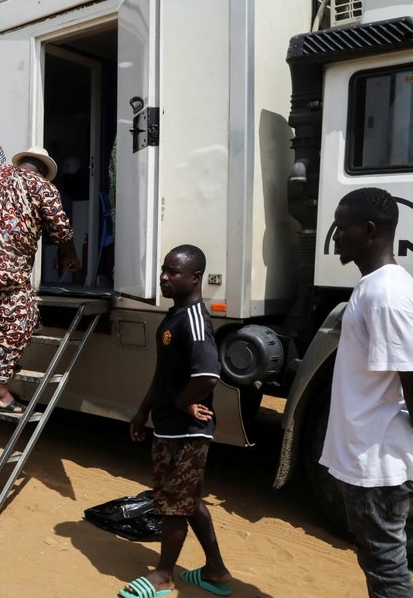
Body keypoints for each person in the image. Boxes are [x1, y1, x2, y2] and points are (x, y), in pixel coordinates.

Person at [320, 188, 413, 597]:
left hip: (376, 463)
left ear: (367, 230)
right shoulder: (384, 286)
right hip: (373, 453)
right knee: (380, 562)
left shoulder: (385, 294)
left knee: (386, 569)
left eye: (340, 227)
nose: (334, 237)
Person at [123, 245, 232, 598]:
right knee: (188, 499)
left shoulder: (195, 319)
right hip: (168, 425)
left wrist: (183, 403)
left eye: (173, 272)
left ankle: (164, 576)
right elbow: (165, 373)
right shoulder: (175, 315)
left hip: (185, 432)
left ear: (195, 277)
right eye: (163, 270)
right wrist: (143, 411)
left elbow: (207, 375)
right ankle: (215, 570)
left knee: (174, 505)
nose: (164, 278)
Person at [0, 146, 79, 412]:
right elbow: (61, 228)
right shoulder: (42, 186)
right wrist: (70, 255)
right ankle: (0, 390)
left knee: (1, 315)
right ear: (43, 171)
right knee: (21, 317)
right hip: (6, 262)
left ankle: (5, 361)